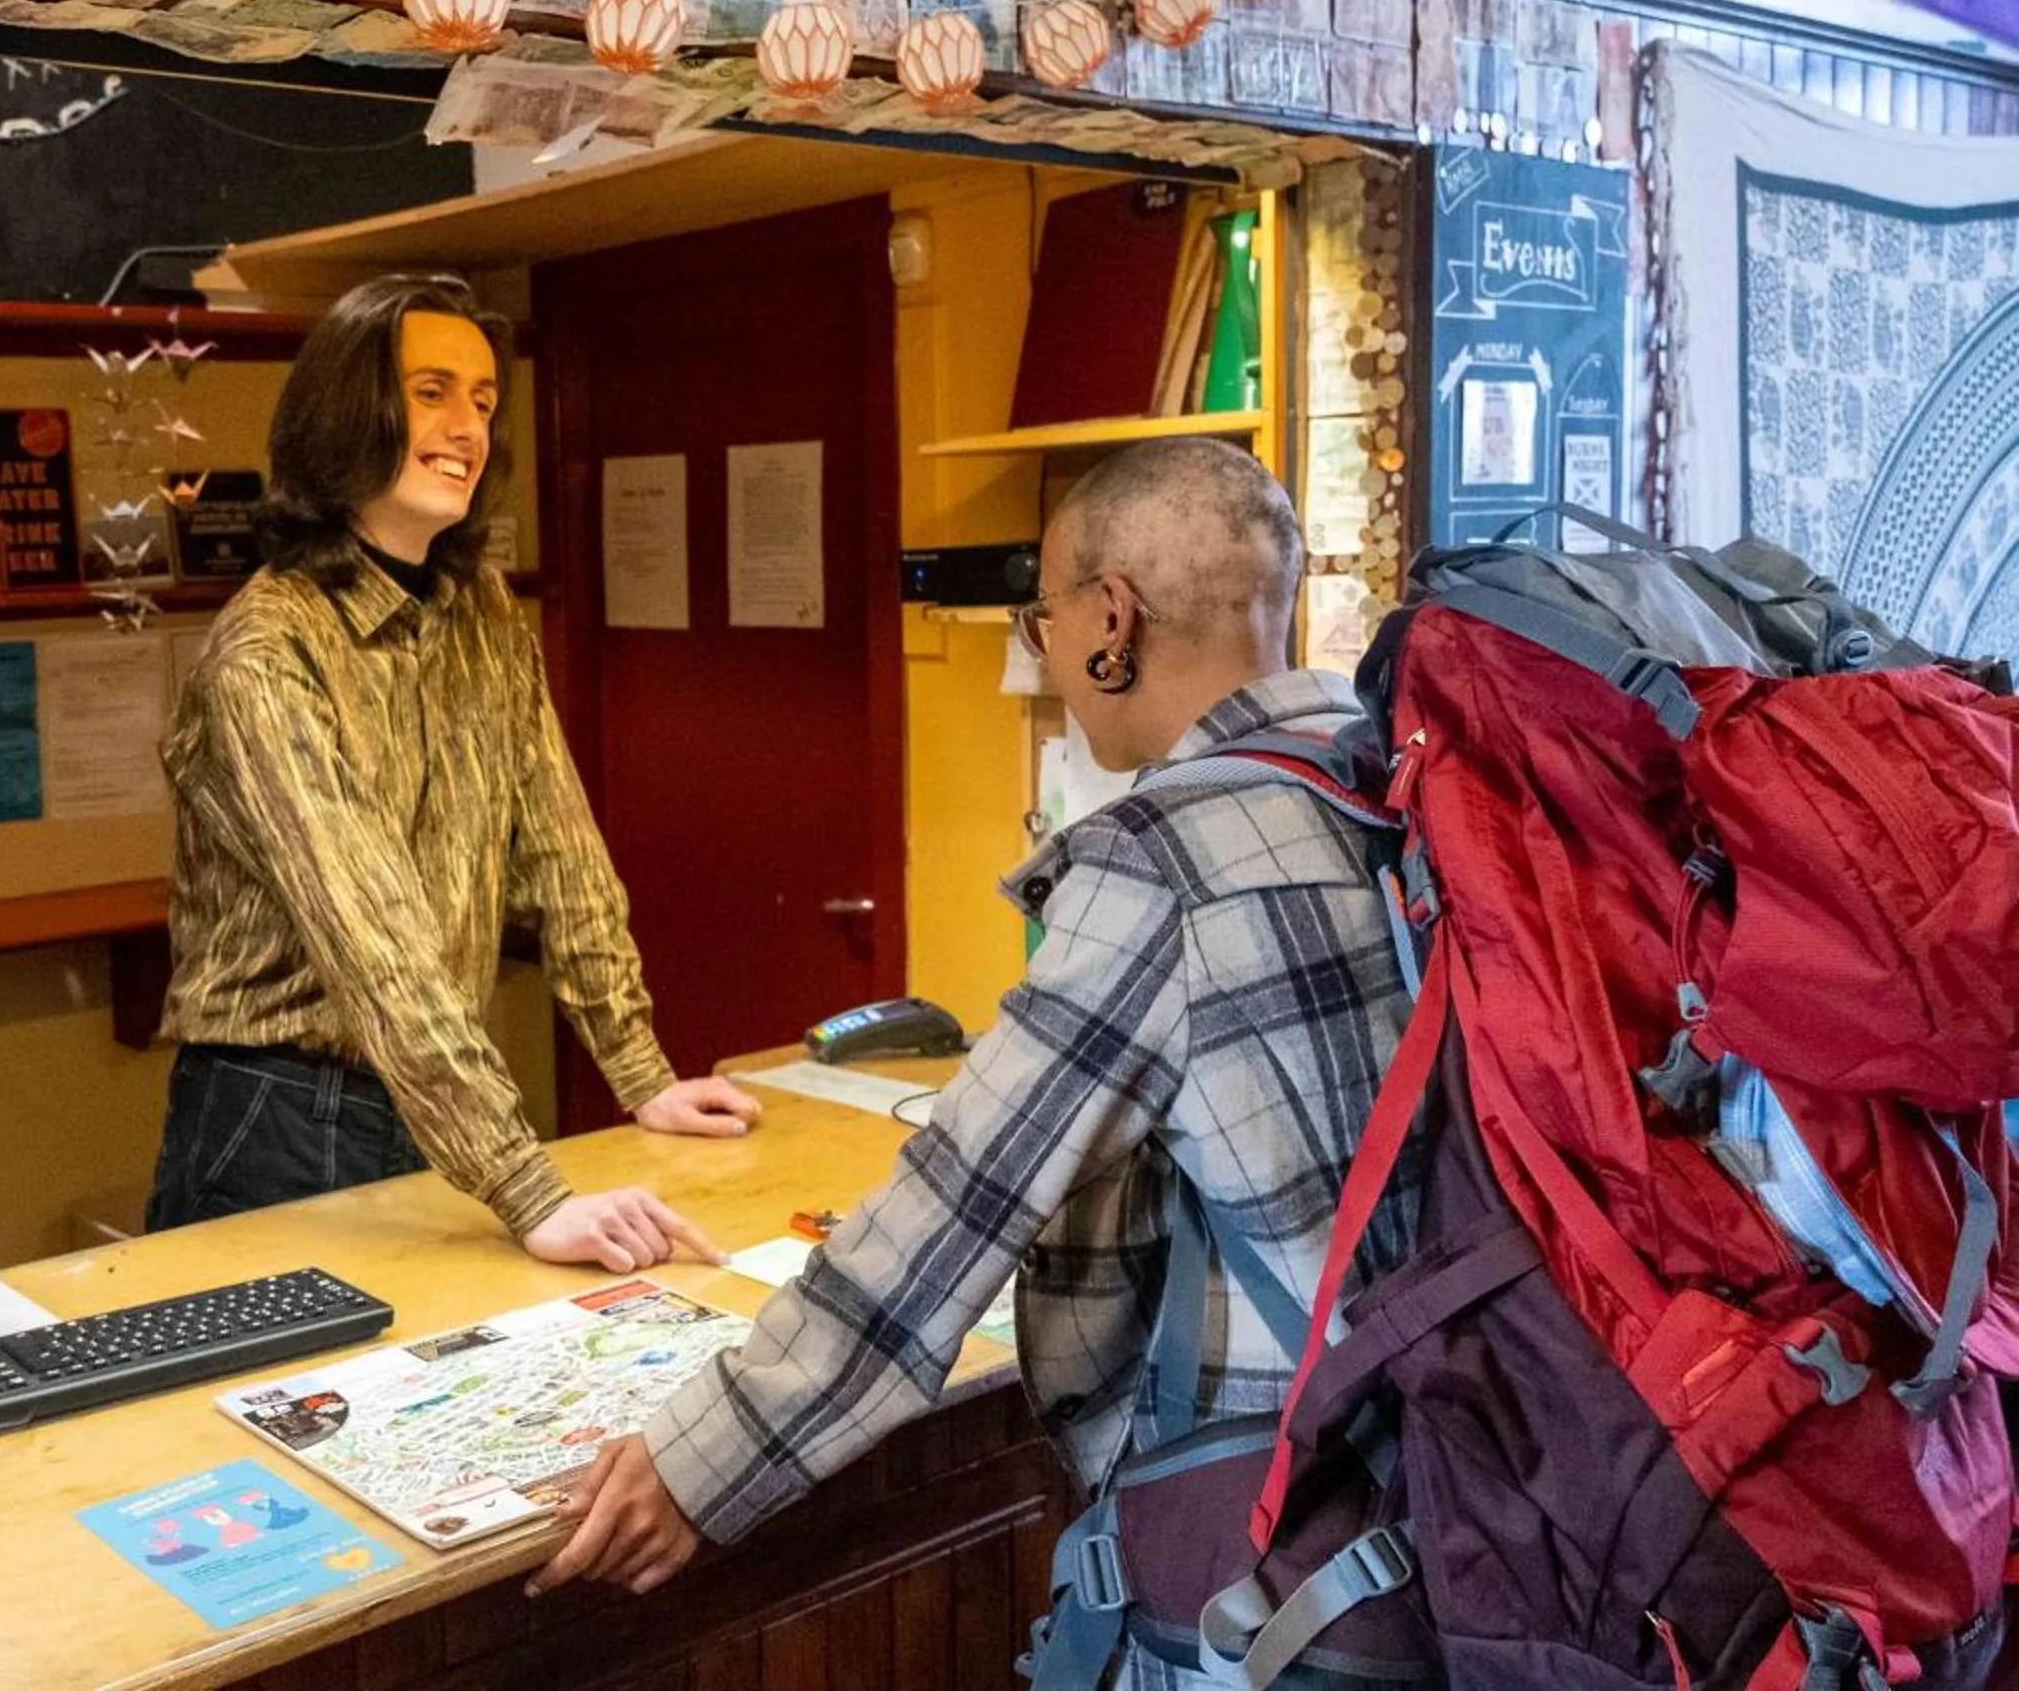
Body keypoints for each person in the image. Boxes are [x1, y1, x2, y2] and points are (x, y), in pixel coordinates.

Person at [536, 438, 1421, 1617]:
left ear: (1114, 617)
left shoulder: (1165, 864)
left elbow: (947, 1215)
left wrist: (695, 1463)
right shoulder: (1385, 785)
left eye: (1042, 613)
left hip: (1263, 1536)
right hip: (1434, 1466)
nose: (1043, 647)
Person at [151, 273, 761, 1272]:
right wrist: (527, 1186)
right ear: (351, 409)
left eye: (482, 399)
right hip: (279, 1112)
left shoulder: (477, 609)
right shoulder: (266, 653)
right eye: (431, 390)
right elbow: (374, 940)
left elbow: (566, 857)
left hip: (432, 1092)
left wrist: (642, 1072)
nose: (466, 426)